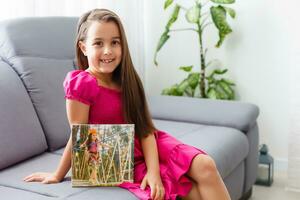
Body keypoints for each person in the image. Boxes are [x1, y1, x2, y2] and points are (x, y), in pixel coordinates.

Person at [23, 8, 231, 200]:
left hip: (148, 143)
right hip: (118, 155)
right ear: (83, 47)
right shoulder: (81, 83)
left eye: (115, 42)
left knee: (205, 165)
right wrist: (58, 174)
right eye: (98, 43)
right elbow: (80, 138)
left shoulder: (127, 80)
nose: (108, 51)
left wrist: (154, 172)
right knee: (192, 191)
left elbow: (145, 129)